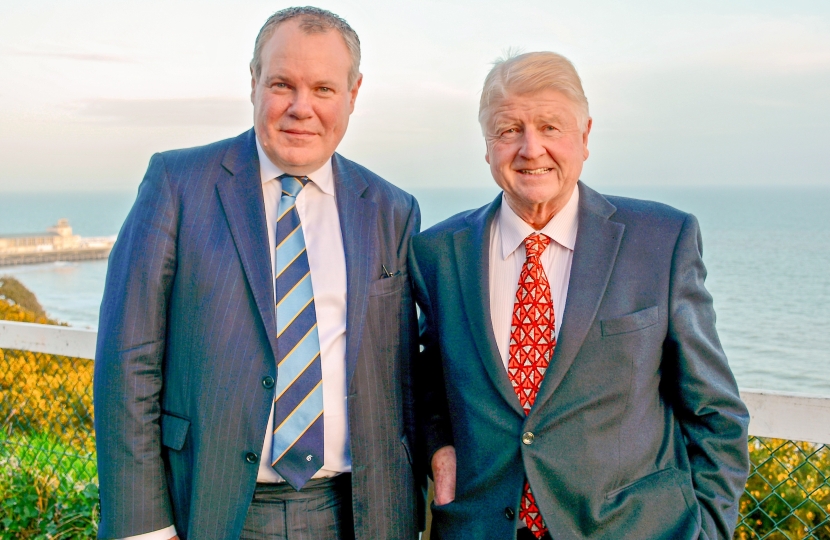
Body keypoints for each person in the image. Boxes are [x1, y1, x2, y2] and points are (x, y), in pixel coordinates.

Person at [94, 7, 422, 540]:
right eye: (282, 84)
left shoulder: (391, 209)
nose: (301, 108)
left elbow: (407, 371)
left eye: (323, 89)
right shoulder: (177, 185)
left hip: (357, 513)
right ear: (253, 83)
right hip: (212, 507)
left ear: (353, 94)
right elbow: (127, 361)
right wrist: (143, 527)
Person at [410, 51, 750, 540]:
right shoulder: (438, 253)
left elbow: (715, 412)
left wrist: (710, 531)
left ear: (585, 136)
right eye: (509, 130)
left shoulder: (660, 241)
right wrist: (440, 450)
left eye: (551, 127)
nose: (531, 149)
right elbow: (426, 380)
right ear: (486, 145)